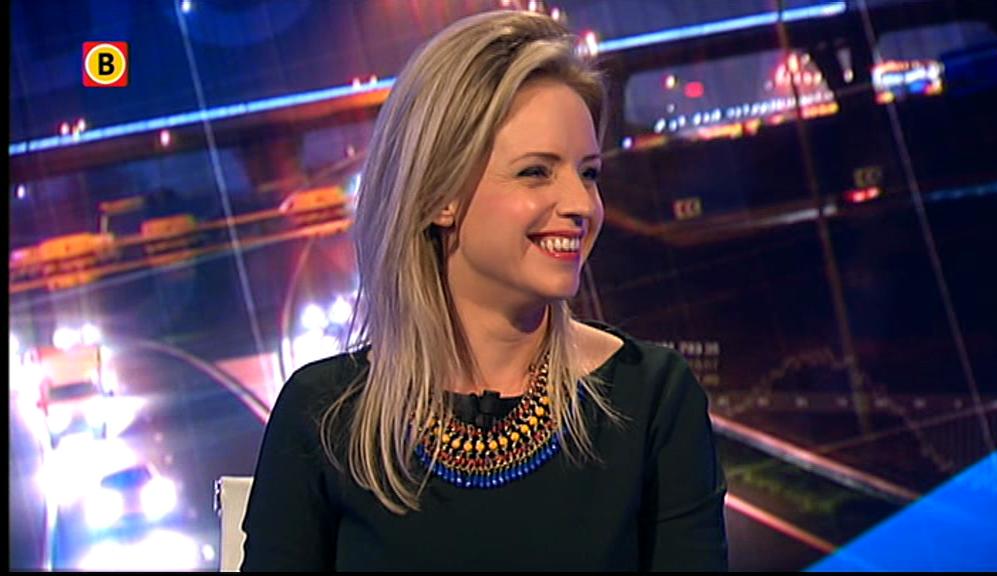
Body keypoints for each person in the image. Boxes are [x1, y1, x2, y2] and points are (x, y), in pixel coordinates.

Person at [241, 9, 727, 572]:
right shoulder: (323, 415)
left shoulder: (652, 400)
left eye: (588, 173)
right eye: (536, 172)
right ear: (440, 195)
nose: (581, 205)